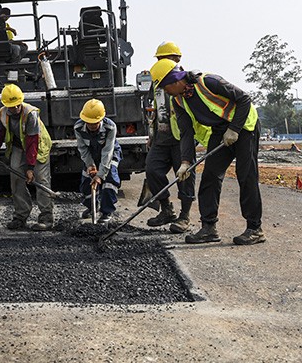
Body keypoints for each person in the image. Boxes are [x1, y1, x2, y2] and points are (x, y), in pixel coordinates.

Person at [150, 58, 264, 245]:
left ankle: (255, 228)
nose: (165, 91)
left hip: (244, 126)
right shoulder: (178, 101)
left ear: (174, 80)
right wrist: (185, 162)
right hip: (220, 131)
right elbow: (186, 133)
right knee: (210, 176)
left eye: (164, 86)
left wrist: (234, 129)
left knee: (246, 175)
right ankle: (208, 228)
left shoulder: (208, 82)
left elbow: (244, 99)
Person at [144, 42, 202, 233]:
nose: (162, 62)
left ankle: (184, 216)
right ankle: (166, 209)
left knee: (185, 176)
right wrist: (152, 135)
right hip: (161, 138)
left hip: (181, 139)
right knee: (152, 170)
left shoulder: (186, 81)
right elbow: (154, 110)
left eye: (166, 58)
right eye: (160, 59)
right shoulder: (156, 83)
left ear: (177, 59)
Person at [0, 84, 54, 230]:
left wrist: (30, 168)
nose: (16, 108)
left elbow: (32, 141)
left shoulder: (30, 113)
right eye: (12, 106)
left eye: (18, 104)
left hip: (38, 146)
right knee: (16, 177)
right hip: (18, 146)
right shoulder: (2, 113)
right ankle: (20, 216)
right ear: (6, 105)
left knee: (41, 179)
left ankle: (46, 218)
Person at [75, 99, 122, 224]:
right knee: (86, 182)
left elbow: (107, 152)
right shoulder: (78, 128)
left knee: (109, 181)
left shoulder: (110, 127)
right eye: (89, 123)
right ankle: (92, 207)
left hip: (110, 155)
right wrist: (90, 165)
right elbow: (83, 149)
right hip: (91, 155)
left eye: (94, 123)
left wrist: (100, 175)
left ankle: (106, 211)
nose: (91, 126)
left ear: (101, 119)